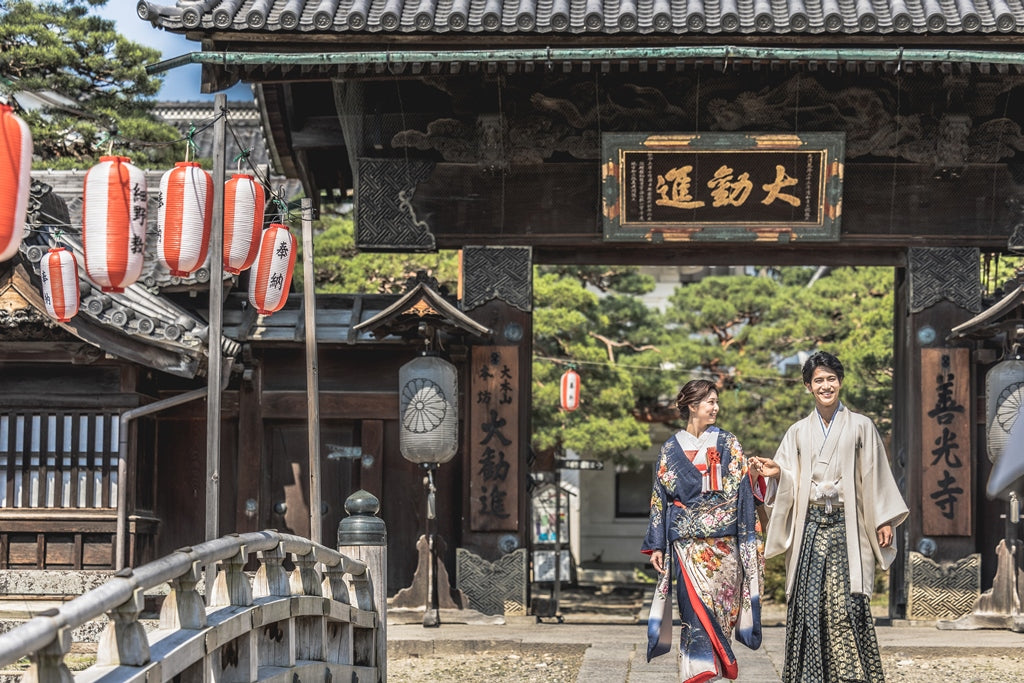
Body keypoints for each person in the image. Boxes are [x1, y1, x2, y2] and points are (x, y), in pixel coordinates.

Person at [750, 351, 909, 682]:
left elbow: (876, 475)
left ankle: (852, 675)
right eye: (818, 380)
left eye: (831, 379)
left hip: (845, 526)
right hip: (809, 527)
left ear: (840, 382)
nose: (826, 385)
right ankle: (807, 676)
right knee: (807, 603)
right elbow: (789, 477)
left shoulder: (862, 426)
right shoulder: (797, 432)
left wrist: (883, 518)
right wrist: (779, 472)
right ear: (808, 386)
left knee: (846, 601)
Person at [641, 378, 764, 682]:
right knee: (692, 616)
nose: (716, 407)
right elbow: (660, 497)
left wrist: (752, 474)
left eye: (716, 401)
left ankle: (712, 672)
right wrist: (657, 543)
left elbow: (742, 491)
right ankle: (696, 672)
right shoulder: (670, 448)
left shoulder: (728, 442)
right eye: (710, 401)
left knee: (720, 615)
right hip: (687, 548)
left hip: (724, 549)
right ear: (692, 406)